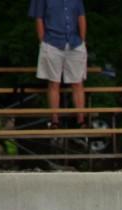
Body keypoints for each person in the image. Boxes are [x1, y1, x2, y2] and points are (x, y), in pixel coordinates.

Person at [27, 0, 88, 129]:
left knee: (77, 82)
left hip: (74, 42)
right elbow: (39, 18)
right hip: (52, 42)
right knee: (54, 82)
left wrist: (82, 39)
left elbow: (81, 16)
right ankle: (55, 120)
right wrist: (43, 41)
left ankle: (81, 120)